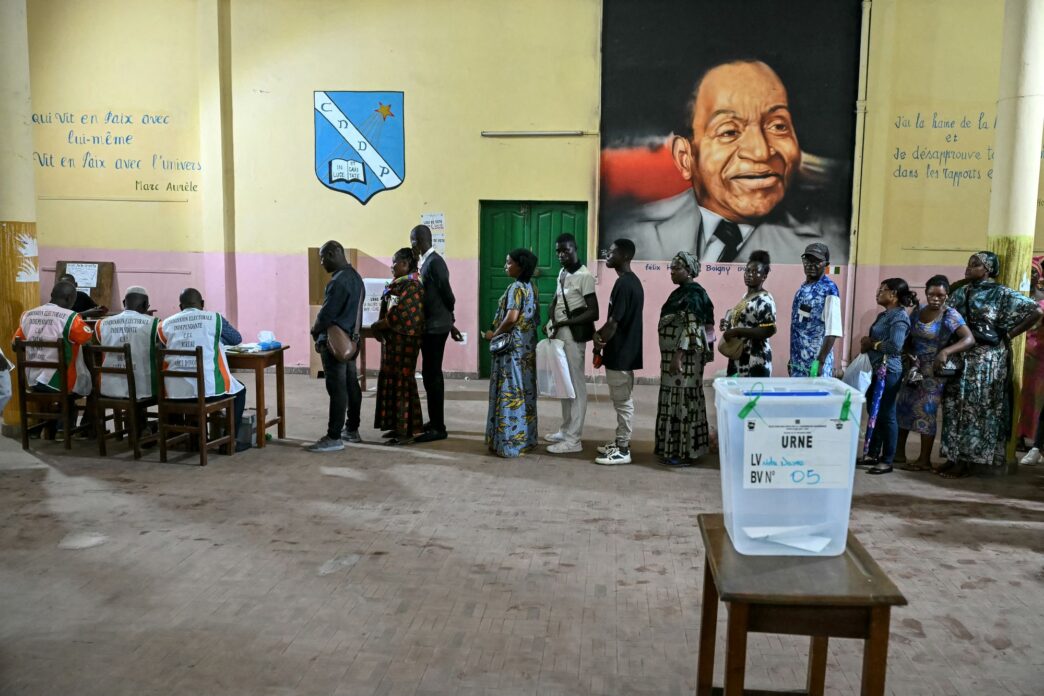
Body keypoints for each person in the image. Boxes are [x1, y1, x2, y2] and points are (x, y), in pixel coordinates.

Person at [606, 60, 847, 262]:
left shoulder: (832, 249)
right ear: (685, 157)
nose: (761, 152)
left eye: (778, 126)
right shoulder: (628, 233)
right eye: (729, 131)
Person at [940, 252, 1043, 477]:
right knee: (954, 405)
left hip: (986, 359)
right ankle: (952, 456)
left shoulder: (1001, 293)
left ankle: (967, 460)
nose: (969, 267)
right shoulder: (962, 291)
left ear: (987, 269)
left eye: (975, 264)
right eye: (969, 263)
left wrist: (1009, 334)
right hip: (961, 356)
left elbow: (1036, 311)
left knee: (975, 407)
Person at [894, 276, 975, 471]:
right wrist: (908, 353)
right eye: (931, 294)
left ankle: (924, 459)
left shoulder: (950, 315)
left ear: (947, 296)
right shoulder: (918, 311)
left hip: (934, 371)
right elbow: (908, 337)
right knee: (903, 407)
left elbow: (969, 339)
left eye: (940, 295)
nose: (935, 299)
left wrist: (946, 352)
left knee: (927, 410)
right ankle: (898, 454)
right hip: (914, 369)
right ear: (926, 293)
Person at [157, 288, 248, 452]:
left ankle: (184, 437)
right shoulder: (214, 318)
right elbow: (236, 339)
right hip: (207, 392)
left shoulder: (165, 324)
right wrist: (214, 339)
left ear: (180, 306)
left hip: (174, 393)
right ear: (202, 304)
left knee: (186, 386)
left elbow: (163, 345)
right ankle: (229, 442)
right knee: (240, 391)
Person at [654, 251, 715, 466]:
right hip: (675, 358)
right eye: (671, 267)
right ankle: (674, 449)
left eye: (676, 268)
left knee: (682, 400)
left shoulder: (694, 294)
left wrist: (677, 357)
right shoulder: (680, 293)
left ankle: (683, 452)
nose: (672, 271)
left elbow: (693, 328)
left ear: (688, 271)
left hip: (684, 360)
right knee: (675, 398)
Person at [308, 241, 365, 453]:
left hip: (334, 344)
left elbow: (326, 315)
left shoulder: (338, 282)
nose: (322, 263)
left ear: (334, 253)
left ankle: (333, 437)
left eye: (323, 258)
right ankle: (352, 429)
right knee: (351, 385)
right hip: (350, 342)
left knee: (337, 389)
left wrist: (315, 332)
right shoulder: (356, 278)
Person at [13, 281, 94, 429]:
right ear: (70, 299)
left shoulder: (28, 315)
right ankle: (68, 429)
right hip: (61, 382)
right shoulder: (71, 317)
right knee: (94, 385)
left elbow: (15, 344)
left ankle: (45, 428)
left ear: (52, 295)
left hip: (33, 380)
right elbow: (88, 340)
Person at [409, 224, 464, 443]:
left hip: (435, 327)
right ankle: (434, 421)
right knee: (429, 374)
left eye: (413, 241)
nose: (412, 245)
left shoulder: (435, 262)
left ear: (418, 241)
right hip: (433, 325)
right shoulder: (426, 262)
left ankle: (438, 427)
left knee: (433, 375)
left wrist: (449, 318)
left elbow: (447, 295)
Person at [545, 233, 598, 454]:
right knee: (563, 384)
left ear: (575, 249)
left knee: (575, 386)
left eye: (565, 250)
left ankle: (574, 440)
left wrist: (565, 322)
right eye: (558, 251)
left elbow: (594, 312)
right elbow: (557, 300)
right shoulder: (562, 272)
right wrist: (550, 320)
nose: (561, 255)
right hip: (559, 332)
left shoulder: (585, 276)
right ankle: (566, 429)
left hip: (573, 335)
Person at [592, 239, 644, 465]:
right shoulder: (630, 282)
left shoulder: (624, 284)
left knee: (623, 402)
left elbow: (614, 322)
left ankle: (623, 450)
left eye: (612, 252)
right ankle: (620, 441)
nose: (607, 255)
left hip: (621, 353)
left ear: (625, 256)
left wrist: (598, 340)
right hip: (623, 352)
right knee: (621, 400)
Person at [485, 248, 540, 457]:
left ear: (520, 265)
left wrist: (494, 334)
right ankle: (526, 440)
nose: (505, 266)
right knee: (525, 390)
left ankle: (509, 444)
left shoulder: (516, 287)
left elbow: (511, 318)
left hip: (512, 349)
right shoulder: (532, 287)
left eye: (509, 262)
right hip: (527, 347)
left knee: (510, 392)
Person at [858, 279, 916, 475]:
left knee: (887, 415)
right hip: (876, 370)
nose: (878, 293)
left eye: (882, 290)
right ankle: (873, 454)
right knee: (875, 412)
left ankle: (887, 459)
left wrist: (872, 344)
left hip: (888, 371)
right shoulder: (884, 315)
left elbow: (895, 347)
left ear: (893, 295)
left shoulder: (899, 318)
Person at [371, 248, 425, 445]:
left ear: (404, 264)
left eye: (394, 263)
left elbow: (403, 315)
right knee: (392, 381)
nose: (391, 266)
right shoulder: (399, 284)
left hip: (405, 343)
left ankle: (406, 432)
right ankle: (396, 425)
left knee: (402, 383)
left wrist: (379, 325)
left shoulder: (413, 286)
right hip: (393, 342)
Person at [789, 242, 842, 377]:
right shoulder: (802, 289)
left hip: (816, 365)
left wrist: (820, 362)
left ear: (826, 264)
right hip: (798, 362)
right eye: (807, 260)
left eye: (817, 261)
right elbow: (800, 326)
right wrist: (793, 357)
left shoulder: (830, 290)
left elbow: (833, 331)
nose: (810, 265)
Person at [719, 250, 776, 377]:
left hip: (755, 359)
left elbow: (769, 330)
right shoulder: (746, 296)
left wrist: (737, 332)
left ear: (764, 276)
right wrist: (728, 324)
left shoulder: (764, 300)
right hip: (740, 357)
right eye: (747, 270)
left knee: (753, 391)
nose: (749, 274)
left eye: (755, 272)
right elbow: (745, 321)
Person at [1017, 256, 1044, 463]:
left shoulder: (1041, 299)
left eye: (1036, 271)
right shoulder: (1018, 296)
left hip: (1039, 356)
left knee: (1036, 397)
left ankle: (1035, 441)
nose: (1033, 275)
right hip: (1021, 351)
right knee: (1020, 394)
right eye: (1030, 271)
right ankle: (1018, 436)